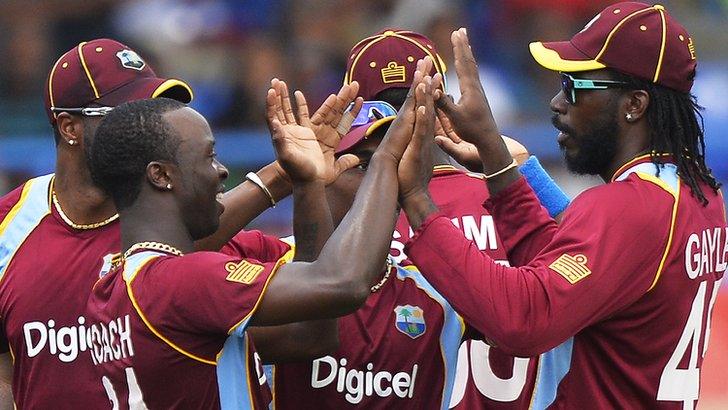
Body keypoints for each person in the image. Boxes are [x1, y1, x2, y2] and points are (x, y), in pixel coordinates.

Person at [400, 3, 726, 408]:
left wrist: (416, 201)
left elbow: (524, 319)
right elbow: (582, 262)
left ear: (635, 105)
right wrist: (500, 164)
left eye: (575, 86)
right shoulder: (698, 192)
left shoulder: (627, 208)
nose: (556, 103)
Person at [84, 59, 438, 408]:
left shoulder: (112, 281)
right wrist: (387, 160)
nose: (221, 171)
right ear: (161, 176)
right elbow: (344, 283)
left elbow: (313, 336)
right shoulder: (179, 282)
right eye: (208, 157)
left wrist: (307, 183)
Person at [270, 31, 569, 409]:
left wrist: (295, 182)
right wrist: (519, 169)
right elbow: (594, 265)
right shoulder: (516, 205)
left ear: (353, 113)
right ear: (444, 107)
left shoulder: (346, 217)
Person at [0, 38, 302, 408]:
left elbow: (320, 308)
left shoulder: (172, 221)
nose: (151, 124)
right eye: (130, 112)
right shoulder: (9, 225)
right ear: (70, 128)